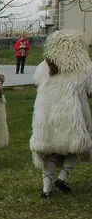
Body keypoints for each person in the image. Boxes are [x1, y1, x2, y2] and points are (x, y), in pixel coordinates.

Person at [29, 29, 92, 198]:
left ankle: (46, 190)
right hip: (70, 115)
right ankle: (62, 178)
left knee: (50, 151)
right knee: (76, 149)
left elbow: (36, 81)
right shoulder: (83, 67)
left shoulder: (43, 66)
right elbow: (90, 91)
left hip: (46, 114)